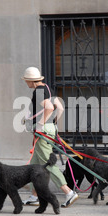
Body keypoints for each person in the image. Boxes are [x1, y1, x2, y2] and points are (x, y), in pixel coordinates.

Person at [21, 67, 78, 208]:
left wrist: (41, 124)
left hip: (43, 131)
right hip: (50, 129)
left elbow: (50, 108)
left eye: (26, 81)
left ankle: (69, 192)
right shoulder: (48, 88)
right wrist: (52, 124)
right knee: (35, 167)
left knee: (48, 163)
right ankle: (34, 195)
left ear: (30, 81)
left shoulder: (38, 91)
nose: (26, 83)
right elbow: (60, 108)